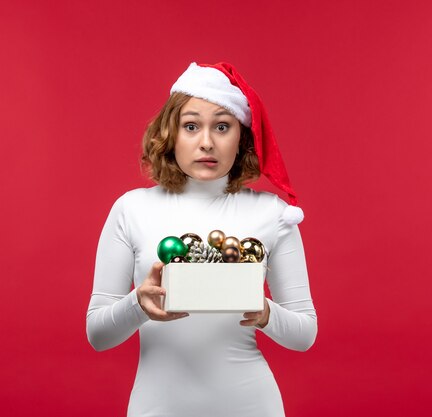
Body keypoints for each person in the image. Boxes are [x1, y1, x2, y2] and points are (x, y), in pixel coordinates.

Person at [86, 62, 317, 417]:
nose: (207, 141)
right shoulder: (131, 209)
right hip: (156, 408)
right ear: (171, 133)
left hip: (252, 406)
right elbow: (98, 335)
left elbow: (304, 334)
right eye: (191, 126)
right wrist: (138, 304)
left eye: (222, 126)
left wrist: (265, 311)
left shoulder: (273, 214)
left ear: (240, 137)